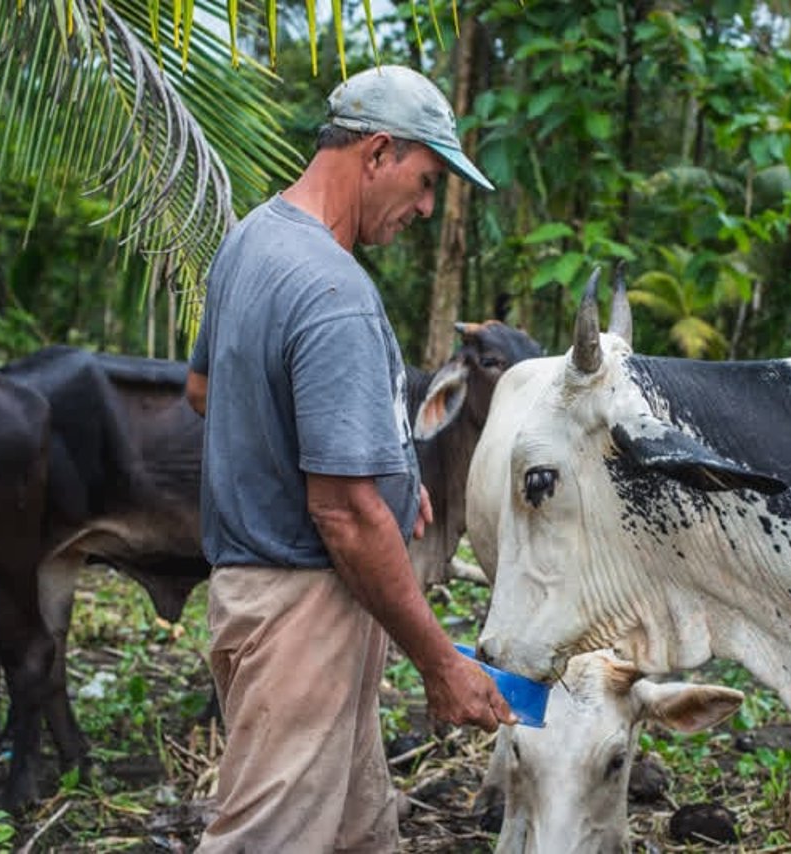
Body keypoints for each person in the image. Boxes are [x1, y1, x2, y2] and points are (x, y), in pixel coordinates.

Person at [185, 64, 516, 853]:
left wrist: (389, 480)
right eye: (428, 179)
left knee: (360, 832)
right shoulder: (332, 290)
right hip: (305, 614)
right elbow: (341, 511)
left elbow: (204, 390)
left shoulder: (251, 240)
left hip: (263, 598)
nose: (429, 207)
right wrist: (439, 661)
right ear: (377, 154)